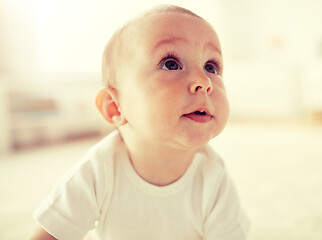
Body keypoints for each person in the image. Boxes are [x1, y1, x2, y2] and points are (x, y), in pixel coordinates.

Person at [29, 5, 250, 240]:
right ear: (115, 107)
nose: (204, 81)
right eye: (171, 64)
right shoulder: (98, 171)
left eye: (211, 66)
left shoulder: (212, 176)